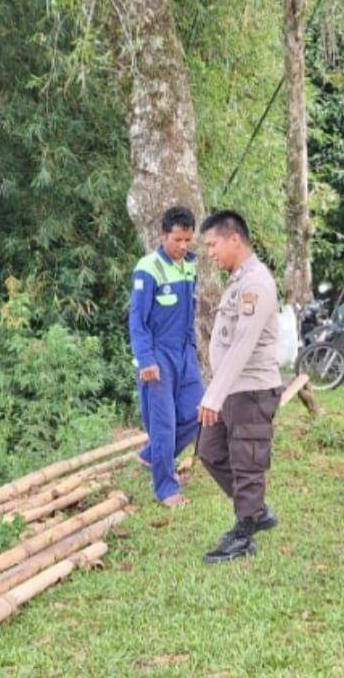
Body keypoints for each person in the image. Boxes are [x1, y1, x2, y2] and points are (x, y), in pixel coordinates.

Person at [196, 210, 283, 564]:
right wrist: (217, 391)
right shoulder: (238, 280)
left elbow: (243, 343)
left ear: (234, 239)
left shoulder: (256, 283)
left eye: (213, 244)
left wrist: (213, 395)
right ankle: (256, 511)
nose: (210, 253)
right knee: (209, 450)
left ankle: (244, 534)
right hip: (231, 389)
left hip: (251, 390)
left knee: (247, 462)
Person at [128, 206, 203, 507]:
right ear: (162, 235)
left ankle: (151, 455)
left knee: (200, 411)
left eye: (188, 240)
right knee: (163, 424)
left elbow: (190, 312)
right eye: (177, 240)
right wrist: (146, 360)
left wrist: (192, 348)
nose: (183, 246)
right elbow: (137, 319)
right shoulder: (148, 269)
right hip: (158, 355)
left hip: (184, 353)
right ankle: (167, 490)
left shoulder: (190, 266)